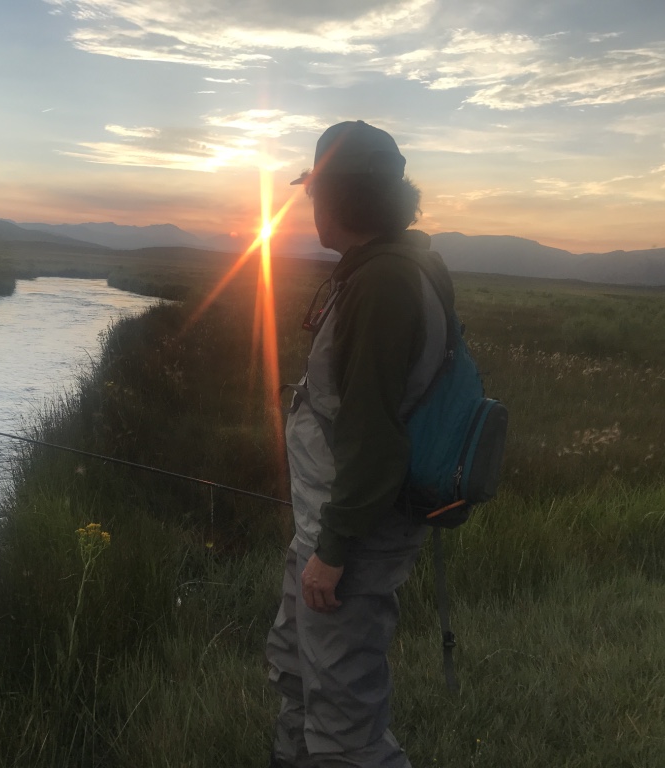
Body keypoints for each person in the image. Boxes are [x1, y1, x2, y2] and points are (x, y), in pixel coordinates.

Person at [267, 120, 457, 768]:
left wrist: (336, 550)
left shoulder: (383, 283)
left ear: (341, 198)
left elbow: (374, 436)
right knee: (296, 674)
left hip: (351, 536)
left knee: (346, 726)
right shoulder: (398, 264)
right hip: (333, 525)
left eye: (315, 192)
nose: (310, 206)